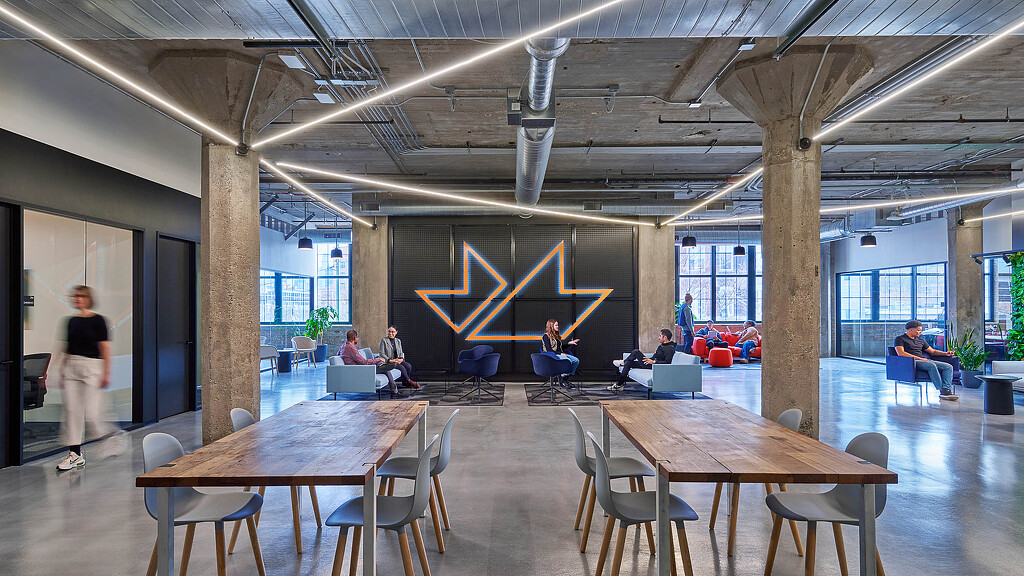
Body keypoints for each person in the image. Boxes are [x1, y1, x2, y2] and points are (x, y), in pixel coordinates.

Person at [55, 285, 126, 471]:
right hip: (72, 366)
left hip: (92, 367)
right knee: (72, 412)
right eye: (75, 296)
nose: (77, 298)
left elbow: (105, 348)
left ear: (88, 298)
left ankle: (113, 436)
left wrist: (106, 372)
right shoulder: (70, 321)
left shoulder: (99, 321)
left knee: (92, 413)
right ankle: (75, 454)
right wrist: (60, 369)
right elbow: (66, 347)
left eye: (81, 296)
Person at [894, 320, 957, 400]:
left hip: (923, 360)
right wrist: (920, 358)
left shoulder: (921, 340)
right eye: (918, 330)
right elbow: (901, 353)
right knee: (931, 365)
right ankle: (942, 390)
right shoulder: (900, 339)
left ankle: (946, 389)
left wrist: (945, 353)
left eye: (921, 330)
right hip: (911, 361)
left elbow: (933, 351)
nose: (920, 332)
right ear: (911, 330)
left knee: (948, 367)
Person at [609, 328, 676, 391]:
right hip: (650, 363)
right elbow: (656, 356)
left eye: (660, 336)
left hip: (654, 366)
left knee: (636, 352)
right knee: (628, 363)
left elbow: (667, 362)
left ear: (665, 337)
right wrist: (649, 359)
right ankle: (619, 384)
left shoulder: (670, 349)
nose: (658, 338)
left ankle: (623, 362)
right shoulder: (662, 346)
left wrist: (653, 362)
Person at [341, 329, 402, 397]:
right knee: (383, 364)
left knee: (383, 366)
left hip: (359, 368)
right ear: (354, 338)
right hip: (362, 369)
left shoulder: (343, 346)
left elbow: (339, 355)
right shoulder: (351, 348)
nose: (358, 339)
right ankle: (386, 365)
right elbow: (364, 362)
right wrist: (377, 359)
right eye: (358, 337)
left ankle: (394, 391)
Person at [541, 319, 580, 385]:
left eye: (557, 325)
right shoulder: (546, 336)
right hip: (552, 355)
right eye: (556, 325)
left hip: (560, 354)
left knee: (576, 361)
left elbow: (560, 348)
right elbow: (549, 350)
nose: (558, 326)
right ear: (551, 326)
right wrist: (560, 354)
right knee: (567, 360)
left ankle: (564, 378)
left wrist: (569, 344)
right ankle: (563, 379)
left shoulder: (557, 336)